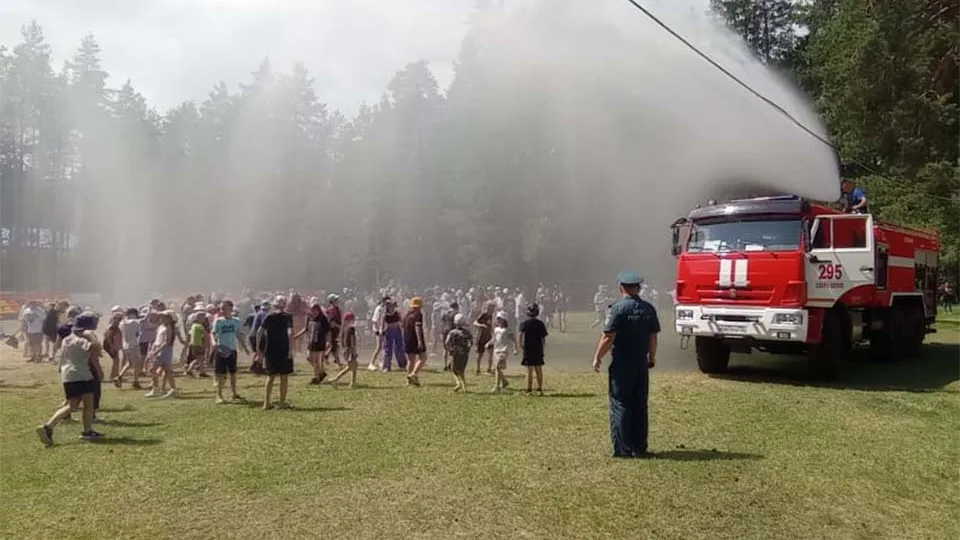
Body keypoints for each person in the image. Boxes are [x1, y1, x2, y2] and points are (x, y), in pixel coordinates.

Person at [592, 270, 661, 459]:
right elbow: (653, 337)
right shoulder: (648, 308)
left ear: (621, 287)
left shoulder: (617, 309)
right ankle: (639, 447)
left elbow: (608, 336)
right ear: (638, 288)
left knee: (620, 403)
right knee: (640, 403)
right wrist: (652, 357)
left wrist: (597, 357)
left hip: (622, 362)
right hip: (640, 362)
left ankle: (623, 448)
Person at [36, 312, 105, 446]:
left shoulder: (67, 339)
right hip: (83, 375)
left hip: (68, 375)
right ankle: (87, 430)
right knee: (88, 404)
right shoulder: (83, 340)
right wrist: (91, 335)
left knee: (71, 405)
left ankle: (48, 426)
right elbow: (97, 348)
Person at [257, 296, 294, 410]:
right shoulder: (287, 317)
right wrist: (290, 350)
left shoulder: (269, 316)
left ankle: (266, 402)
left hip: (270, 349)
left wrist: (259, 349)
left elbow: (259, 332)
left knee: (271, 376)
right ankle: (282, 402)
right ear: (285, 305)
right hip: (283, 349)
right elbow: (290, 333)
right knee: (284, 376)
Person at [212, 299, 248, 403]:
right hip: (221, 350)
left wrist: (244, 347)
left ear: (231, 308)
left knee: (233, 373)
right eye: (221, 308)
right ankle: (219, 396)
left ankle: (234, 393)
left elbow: (238, 334)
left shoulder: (236, 321)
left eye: (224, 308)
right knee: (221, 374)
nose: (222, 310)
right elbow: (213, 333)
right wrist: (214, 343)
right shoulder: (218, 321)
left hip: (232, 350)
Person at [518, 303, 548, 395]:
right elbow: (543, 338)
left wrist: (520, 344)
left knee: (529, 370)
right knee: (538, 369)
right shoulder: (540, 324)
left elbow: (520, 335)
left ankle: (529, 390)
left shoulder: (524, 323)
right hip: (538, 348)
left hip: (528, 348)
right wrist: (542, 347)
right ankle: (539, 389)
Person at [487, 311, 518, 393]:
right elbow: (494, 339)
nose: (499, 320)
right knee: (497, 368)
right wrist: (488, 343)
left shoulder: (507, 330)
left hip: (503, 351)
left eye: (500, 319)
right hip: (496, 350)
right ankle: (504, 381)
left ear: (505, 320)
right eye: (498, 319)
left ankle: (497, 386)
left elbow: (513, 339)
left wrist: (515, 349)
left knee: (497, 367)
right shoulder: (496, 329)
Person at [444, 313, 473, 392]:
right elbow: (471, 342)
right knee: (461, 371)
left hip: (455, 353)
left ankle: (458, 383)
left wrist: (450, 349)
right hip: (464, 354)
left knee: (453, 370)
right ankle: (464, 388)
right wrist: (468, 349)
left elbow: (447, 342)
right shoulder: (467, 332)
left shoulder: (452, 332)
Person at [329, 312, 359, 388]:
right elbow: (352, 342)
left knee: (354, 365)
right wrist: (354, 351)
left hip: (346, 350)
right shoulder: (351, 329)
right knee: (350, 367)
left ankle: (353, 382)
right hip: (350, 350)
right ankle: (335, 379)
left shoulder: (344, 328)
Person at [403, 296, 427, 387]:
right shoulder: (418, 314)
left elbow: (403, 326)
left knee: (411, 360)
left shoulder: (407, 314)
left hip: (407, 338)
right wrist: (420, 340)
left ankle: (408, 381)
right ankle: (413, 374)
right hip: (415, 338)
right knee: (423, 357)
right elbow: (418, 327)